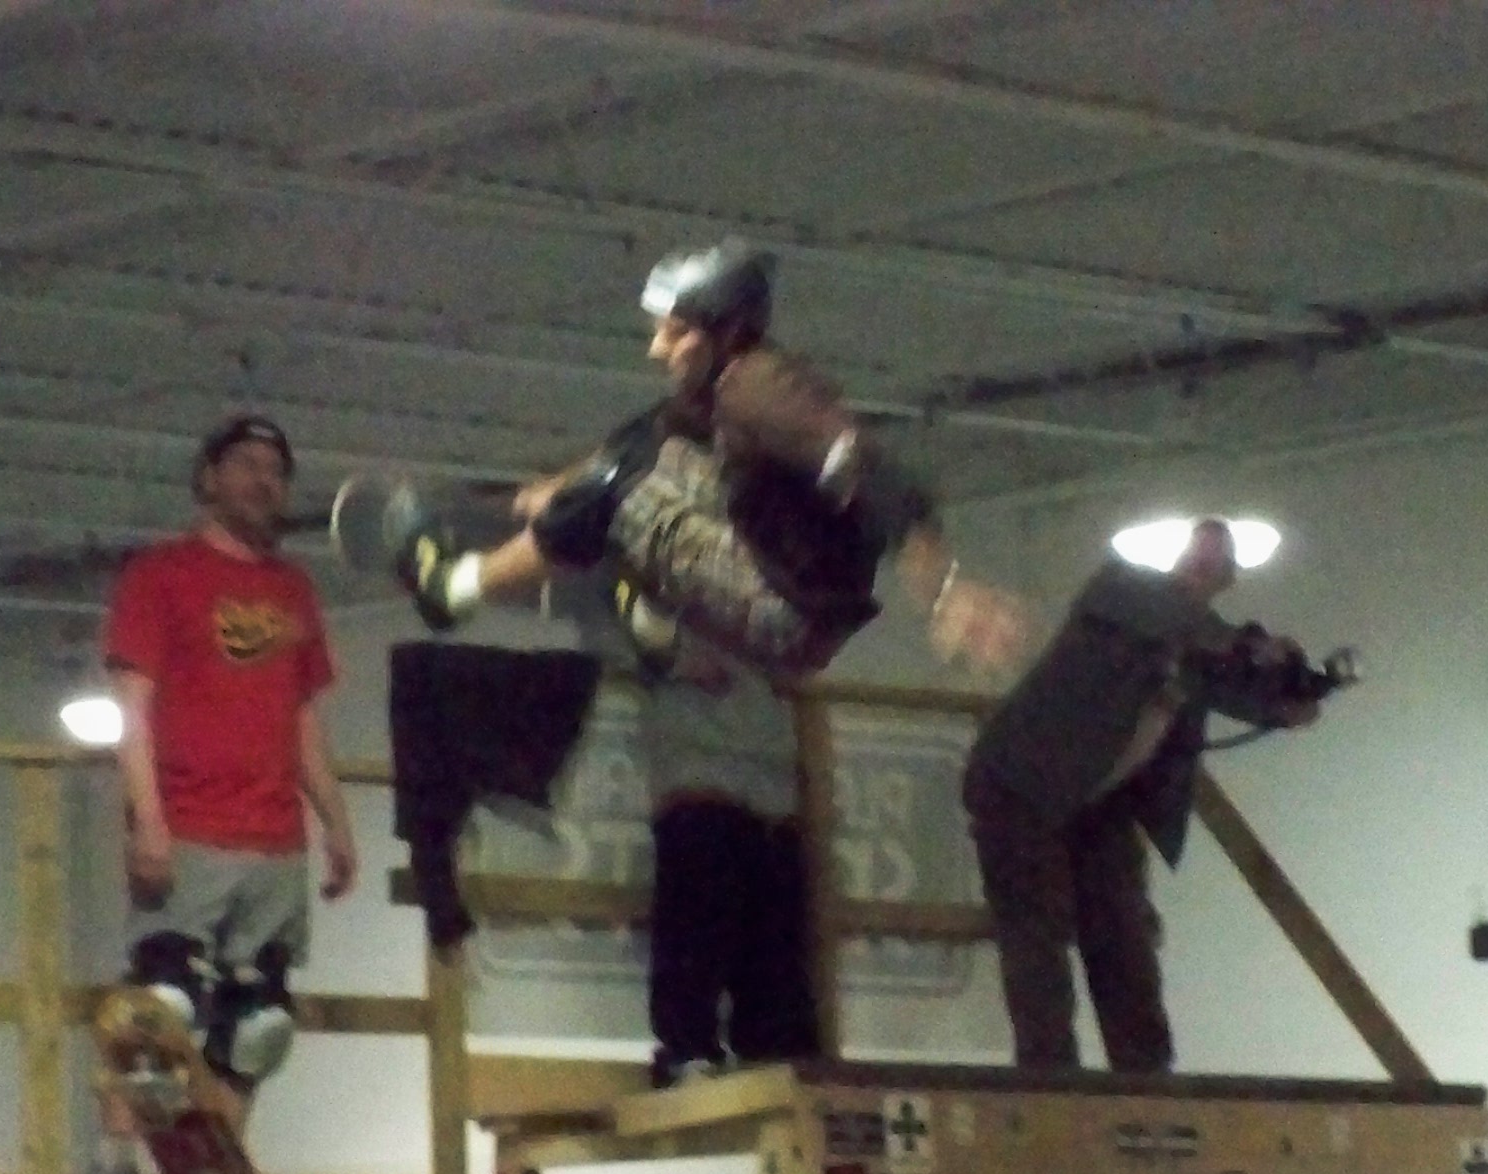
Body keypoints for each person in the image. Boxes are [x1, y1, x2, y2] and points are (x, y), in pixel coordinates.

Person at [389, 238, 1027, 678]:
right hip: (780, 578)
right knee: (639, 450)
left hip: (788, 616)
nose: (657, 349)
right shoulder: (721, 383)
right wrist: (550, 492)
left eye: (674, 332)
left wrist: (947, 592)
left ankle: (456, 588)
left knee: (621, 485)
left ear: (720, 331)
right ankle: (648, 611)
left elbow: (881, 480)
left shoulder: (762, 392)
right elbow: (653, 434)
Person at [87, 413, 358, 1174]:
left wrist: (337, 821)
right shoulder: (161, 575)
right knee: (162, 1009)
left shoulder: (292, 591)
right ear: (207, 478)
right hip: (193, 825)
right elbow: (130, 705)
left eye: (275, 469)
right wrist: (148, 820)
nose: (262, 481)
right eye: (244, 464)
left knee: (258, 1026)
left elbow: (303, 716)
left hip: (274, 836)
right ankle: (113, 1164)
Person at [960, 518, 1318, 1073]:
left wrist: (1290, 694)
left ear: (1227, 575)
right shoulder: (1123, 588)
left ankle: (1146, 1078)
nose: (1201, 561)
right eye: (1201, 548)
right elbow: (1194, 630)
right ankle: (1050, 1076)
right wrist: (1256, 652)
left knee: (1122, 934)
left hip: (1093, 801)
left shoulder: (1193, 644)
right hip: (1021, 783)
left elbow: (1244, 686)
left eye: (1214, 555)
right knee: (1038, 935)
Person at [636, 627, 819, 1089]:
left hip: (769, 774)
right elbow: (620, 613)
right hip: (699, 765)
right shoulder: (670, 570)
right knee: (698, 915)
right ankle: (687, 1050)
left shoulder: (779, 578)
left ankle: (775, 1051)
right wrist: (676, 654)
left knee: (775, 931)